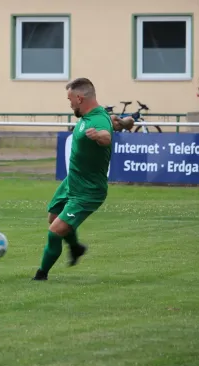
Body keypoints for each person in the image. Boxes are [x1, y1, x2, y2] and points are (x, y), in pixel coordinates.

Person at [32, 78, 135, 281]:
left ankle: (40, 275)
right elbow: (119, 122)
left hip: (89, 190)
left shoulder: (97, 121)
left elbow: (105, 136)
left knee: (55, 232)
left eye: (70, 99)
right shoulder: (93, 115)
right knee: (53, 217)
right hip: (73, 182)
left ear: (79, 98)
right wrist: (123, 123)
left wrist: (99, 136)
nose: (69, 103)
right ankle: (76, 247)